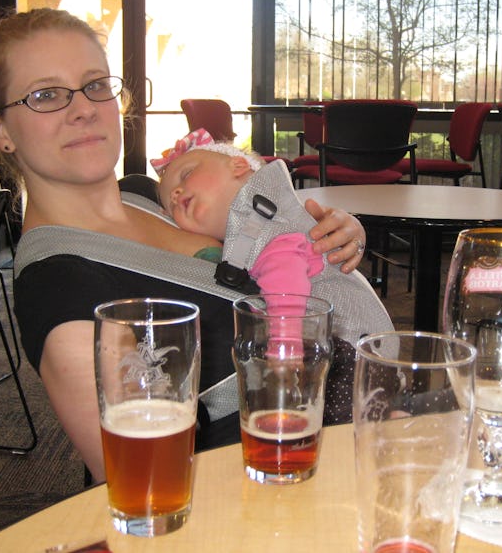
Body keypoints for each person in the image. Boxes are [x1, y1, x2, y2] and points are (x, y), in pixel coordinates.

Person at [0, 7, 369, 483]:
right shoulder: (65, 297)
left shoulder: (147, 194)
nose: (83, 108)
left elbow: (263, 238)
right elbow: (144, 492)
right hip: (274, 490)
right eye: (46, 95)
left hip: (348, 438)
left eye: (96, 84)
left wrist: (331, 236)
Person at [150, 129, 394, 423]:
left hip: (347, 353)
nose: (176, 194)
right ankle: (389, 415)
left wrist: (284, 359)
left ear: (239, 167)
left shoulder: (268, 232)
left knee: (325, 421)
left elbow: (287, 296)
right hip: (367, 352)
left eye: (186, 174)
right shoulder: (257, 230)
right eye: (169, 205)